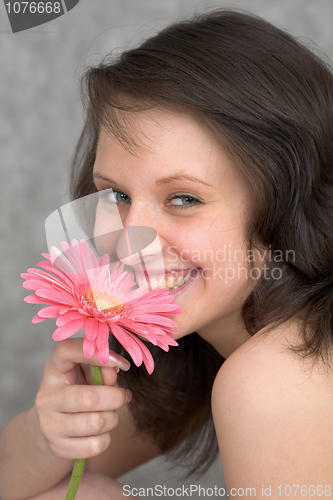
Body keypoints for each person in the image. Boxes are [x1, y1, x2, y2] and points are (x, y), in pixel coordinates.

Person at [1, 8, 333, 499]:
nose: (131, 238)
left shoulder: (279, 376)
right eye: (115, 194)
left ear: (287, 206)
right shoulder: (190, 343)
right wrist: (53, 426)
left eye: (183, 199)